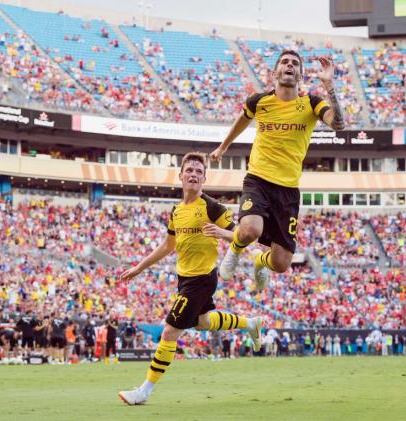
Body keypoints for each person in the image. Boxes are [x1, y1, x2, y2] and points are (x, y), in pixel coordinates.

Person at [117, 152, 263, 405]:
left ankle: (144, 391)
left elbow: (244, 236)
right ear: (181, 176)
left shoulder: (212, 207)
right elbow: (166, 246)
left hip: (202, 279)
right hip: (183, 278)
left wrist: (220, 232)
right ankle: (250, 323)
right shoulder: (176, 211)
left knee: (170, 332)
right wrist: (139, 267)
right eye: (190, 170)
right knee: (202, 323)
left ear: (204, 178)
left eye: (198, 171)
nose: (193, 174)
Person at [210, 49, 345, 289]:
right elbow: (242, 119)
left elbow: (339, 124)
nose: (289, 65)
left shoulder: (311, 103)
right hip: (258, 179)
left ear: (301, 75)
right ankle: (235, 249)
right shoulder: (259, 101)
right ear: (275, 72)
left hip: (288, 190)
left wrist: (330, 87)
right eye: (284, 62)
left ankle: (260, 261)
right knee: (250, 229)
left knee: (281, 263)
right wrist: (222, 147)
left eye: (295, 63)